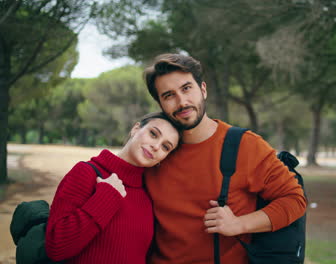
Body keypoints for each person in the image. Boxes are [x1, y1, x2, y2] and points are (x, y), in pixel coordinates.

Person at [143, 54, 307, 264]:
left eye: (186, 88)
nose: (182, 102)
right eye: (168, 95)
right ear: (160, 103)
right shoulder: (155, 151)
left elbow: (294, 200)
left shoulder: (245, 145)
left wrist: (240, 224)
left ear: (203, 89)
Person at [45, 112, 181, 264]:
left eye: (165, 147)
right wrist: (107, 197)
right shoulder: (86, 173)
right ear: (135, 129)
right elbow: (56, 247)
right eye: (153, 134)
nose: (156, 147)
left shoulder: (149, 194)